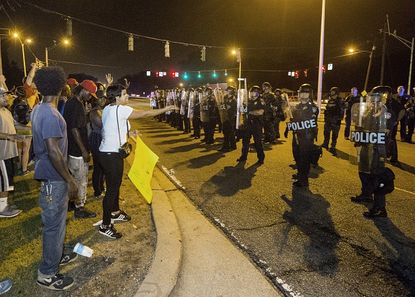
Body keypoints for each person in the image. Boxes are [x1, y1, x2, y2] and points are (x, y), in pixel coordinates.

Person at [98, 84, 175, 239]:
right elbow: (145, 113)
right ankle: (105, 225)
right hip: (111, 154)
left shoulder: (108, 109)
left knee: (115, 184)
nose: (128, 97)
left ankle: (115, 212)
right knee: (112, 189)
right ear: (117, 97)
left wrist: (130, 133)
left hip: (107, 152)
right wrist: (165, 109)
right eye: (125, 94)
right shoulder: (121, 109)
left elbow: (112, 128)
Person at [31, 66, 78, 290]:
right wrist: (69, 179)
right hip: (54, 178)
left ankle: (56, 257)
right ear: (61, 85)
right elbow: (53, 150)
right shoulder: (49, 113)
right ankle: (47, 273)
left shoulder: (40, 108)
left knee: (57, 224)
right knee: (53, 225)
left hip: (49, 176)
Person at [350, 87, 395, 218]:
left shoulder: (386, 112)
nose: (374, 100)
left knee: (377, 176)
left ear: (382, 98)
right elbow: (360, 125)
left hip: (378, 148)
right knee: (363, 172)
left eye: (377, 98)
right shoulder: (367, 111)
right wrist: (358, 138)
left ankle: (380, 208)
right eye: (372, 97)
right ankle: (366, 194)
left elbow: (388, 128)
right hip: (365, 146)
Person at [63, 80, 97, 218]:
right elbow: (74, 129)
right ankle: (80, 208)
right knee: (81, 180)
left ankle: (71, 203)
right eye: (90, 93)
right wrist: (84, 150)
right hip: (77, 150)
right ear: (83, 90)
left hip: (71, 148)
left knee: (73, 178)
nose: (90, 96)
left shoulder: (72, 102)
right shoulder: (76, 105)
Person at [285, 84, 319, 187]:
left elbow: (307, 121)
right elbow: (293, 119)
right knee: (297, 156)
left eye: (305, 92)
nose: (302, 94)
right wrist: (288, 127)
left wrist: (296, 122)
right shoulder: (297, 106)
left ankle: (303, 180)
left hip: (307, 137)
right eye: (301, 92)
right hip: (296, 136)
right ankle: (300, 173)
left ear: (309, 94)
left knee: (304, 158)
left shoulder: (313, 108)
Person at [0, 87, 22, 218]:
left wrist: (31, 129)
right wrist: (9, 136)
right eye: (3, 96)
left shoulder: (5, 111)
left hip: (10, 153)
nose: (6, 97)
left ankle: (4, 203)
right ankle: (2, 208)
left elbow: (16, 126)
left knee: (9, 180)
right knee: (3, 182)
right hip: (2, 154)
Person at [237, 85, 265, 164]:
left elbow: (260, 112)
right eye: (251, 93)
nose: (252, 95)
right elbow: (242, 110)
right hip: (248, 124)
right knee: (245, 141)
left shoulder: (261, 101)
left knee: (257, 142)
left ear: (258, 94)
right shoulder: (248, 101)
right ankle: (243, 156)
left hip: (257, 124)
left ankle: (261, 158)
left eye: (254, 93)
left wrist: (249, 112)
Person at [89, 95, 106, 200]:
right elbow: (102, 125)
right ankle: (97, 191)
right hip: (97, 138)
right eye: (101, 98)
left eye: (104, 98)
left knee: (103, 166)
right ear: (96, 99)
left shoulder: (101, 110)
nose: (103, 100)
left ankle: (101, 187)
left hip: (102, 138)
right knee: (98, 167)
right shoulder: (94, 112)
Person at [384, 86, 405, 164]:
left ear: (391, 94)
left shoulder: (394, 102)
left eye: (386, 93)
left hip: (392, 125)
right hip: (383, 124)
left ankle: (394, 158)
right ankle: (386, 154)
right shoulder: (383, 102)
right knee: (384, 139)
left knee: (392, 139)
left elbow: (402, 110)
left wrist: (397, 120)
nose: (385, 95)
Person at [322, 86, 344, 155]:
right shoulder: (330, 100)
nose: (331, 93)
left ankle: (333, 147)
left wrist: (338, 119)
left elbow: (341, 111)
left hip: (335, 121)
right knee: (326, 133)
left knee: (334, 135)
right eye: (331, 91)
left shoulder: (340, 101)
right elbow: (327, 110)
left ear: (336, 93)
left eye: (333, 92)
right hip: (328, 120)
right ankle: (325, 143)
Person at [218, 86, 237, 151]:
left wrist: (227, 107)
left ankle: (230, 146)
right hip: (225, 116)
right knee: (226, 132)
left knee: (230, 132)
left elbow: (234, 107)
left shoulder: (234, 98)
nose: (229, 91)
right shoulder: (225, 97)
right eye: (228, 90)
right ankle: (229, 146)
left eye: (230, 90)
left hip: (230, 117)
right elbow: (222, 104)